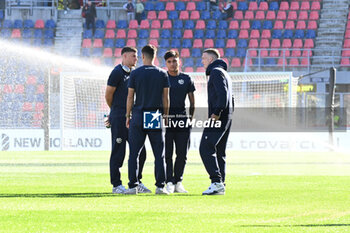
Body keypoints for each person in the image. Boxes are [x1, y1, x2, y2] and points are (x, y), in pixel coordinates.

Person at [105, 46, 151, 194]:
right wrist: (115, 112)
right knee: (118, 151)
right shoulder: (116, 72)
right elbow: (108, 94)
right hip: (119, 118)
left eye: (137, 56)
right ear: (124, 56)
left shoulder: (135, 74)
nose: (136, 58)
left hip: (134, 118)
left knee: (141, 152)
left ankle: (137, 182)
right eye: (133, 56)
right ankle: (116, 185)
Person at [125, 44, 170, 195]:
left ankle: (133, 186)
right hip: (154, 114)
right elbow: (166, 98)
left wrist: (127, 115)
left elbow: (130, 96)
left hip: (138, 114)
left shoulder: (135, 74)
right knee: (159, 153)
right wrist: (166, 116)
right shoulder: (162, 73)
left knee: (134, 153)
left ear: (143, 56)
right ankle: (160, 186)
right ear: (155, 56)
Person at [200, 48, 234, 195]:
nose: (202, 62)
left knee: (205, 148)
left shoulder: (216, 72)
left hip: (219, 116)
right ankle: (221, 184)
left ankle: (216, 182)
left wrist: (216, 113)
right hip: (227, 116)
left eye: (204, 59)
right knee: (219, 151)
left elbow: (223, 94)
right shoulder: (225, 73)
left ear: (211, 60)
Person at [163, 50, 195, 194]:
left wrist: (190, 118)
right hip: (167, 120)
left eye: (174, 61)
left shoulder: (186, 78)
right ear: (166, 64)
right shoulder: (162, 78)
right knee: (168, 153)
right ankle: (169, 181)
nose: (172, 64)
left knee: (182, 153)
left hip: (182, 119)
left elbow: (192, 100)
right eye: (169, 62)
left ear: (179, 61)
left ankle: (178, 181)